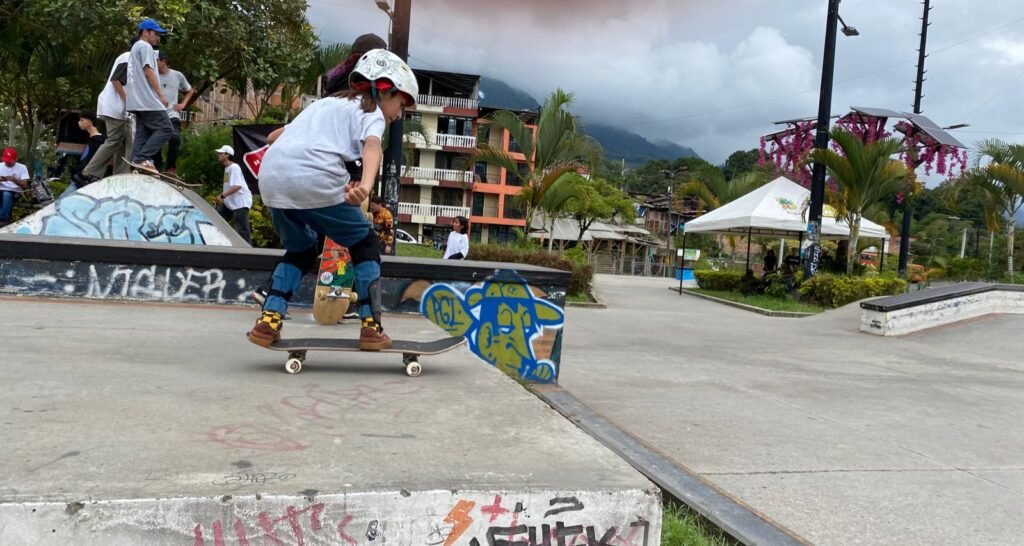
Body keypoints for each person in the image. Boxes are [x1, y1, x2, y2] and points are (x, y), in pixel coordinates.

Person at [247, 49, 418, 351]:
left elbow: (274, 136)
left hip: (272, 181)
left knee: (301, 250)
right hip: (315, 179)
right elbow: (373, 146)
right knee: (365, 243)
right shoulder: (372, 113)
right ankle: (371, 327)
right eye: (401, 103)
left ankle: (269, 321)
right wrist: (365, 185)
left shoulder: (324, 104)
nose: (399, 114)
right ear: (385, 90)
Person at [126, 18, 172, 169]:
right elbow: (148, 70)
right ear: (146, 32)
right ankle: (141, 158)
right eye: (156, 34)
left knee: (143, 133)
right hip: (147, 100)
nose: (158, 38)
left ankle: (135, 162)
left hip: (136, 101)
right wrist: (161, 95)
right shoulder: (145, 47)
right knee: (166, 128)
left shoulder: (134, 48)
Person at [84, 46, 132, 179]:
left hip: (120, 108)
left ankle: (121, 174)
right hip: (115, 106)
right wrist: (127, 100)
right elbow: (116, 80)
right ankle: (90, 171)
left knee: (125, 141)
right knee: (115, 140)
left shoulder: (131, 58)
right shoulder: (129, 57)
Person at [156, 50, 194, 173]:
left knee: (175, 138)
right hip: (156, 115)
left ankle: (170, 168)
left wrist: (183, 104)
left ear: (163, 61)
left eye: (155, 61)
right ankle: (157, 167)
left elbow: (190, 90)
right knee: (155, 142)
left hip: (172, 114)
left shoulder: (177, 75)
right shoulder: (152, 76)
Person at [214, 145, 253, 244]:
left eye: (220, 153)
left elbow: (237, 186)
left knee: (242, 231)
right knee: (216, 220)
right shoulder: (228, 168)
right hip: (230, 203)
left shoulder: (234, 167)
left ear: (227, 155)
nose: (218, 154)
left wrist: (221, 196)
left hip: (240, 203)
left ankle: (248, 253)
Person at [66, 113, 106, 194]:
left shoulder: (99, 141)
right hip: (80, 177)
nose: (78, 122)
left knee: (64, 200)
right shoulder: (91, 138)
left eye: (81, 120)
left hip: (87, 178)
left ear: (90, 122)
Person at [0, 148, 30, 226]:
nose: (8, 162)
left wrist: (14, 179)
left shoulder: (22, 167)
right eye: (6, 160)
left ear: (16, 159)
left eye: (10, 160)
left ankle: (4, 219)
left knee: (6, 194)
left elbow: (24, 185)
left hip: (14, 192)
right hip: (0, 189)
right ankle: (5, 217)